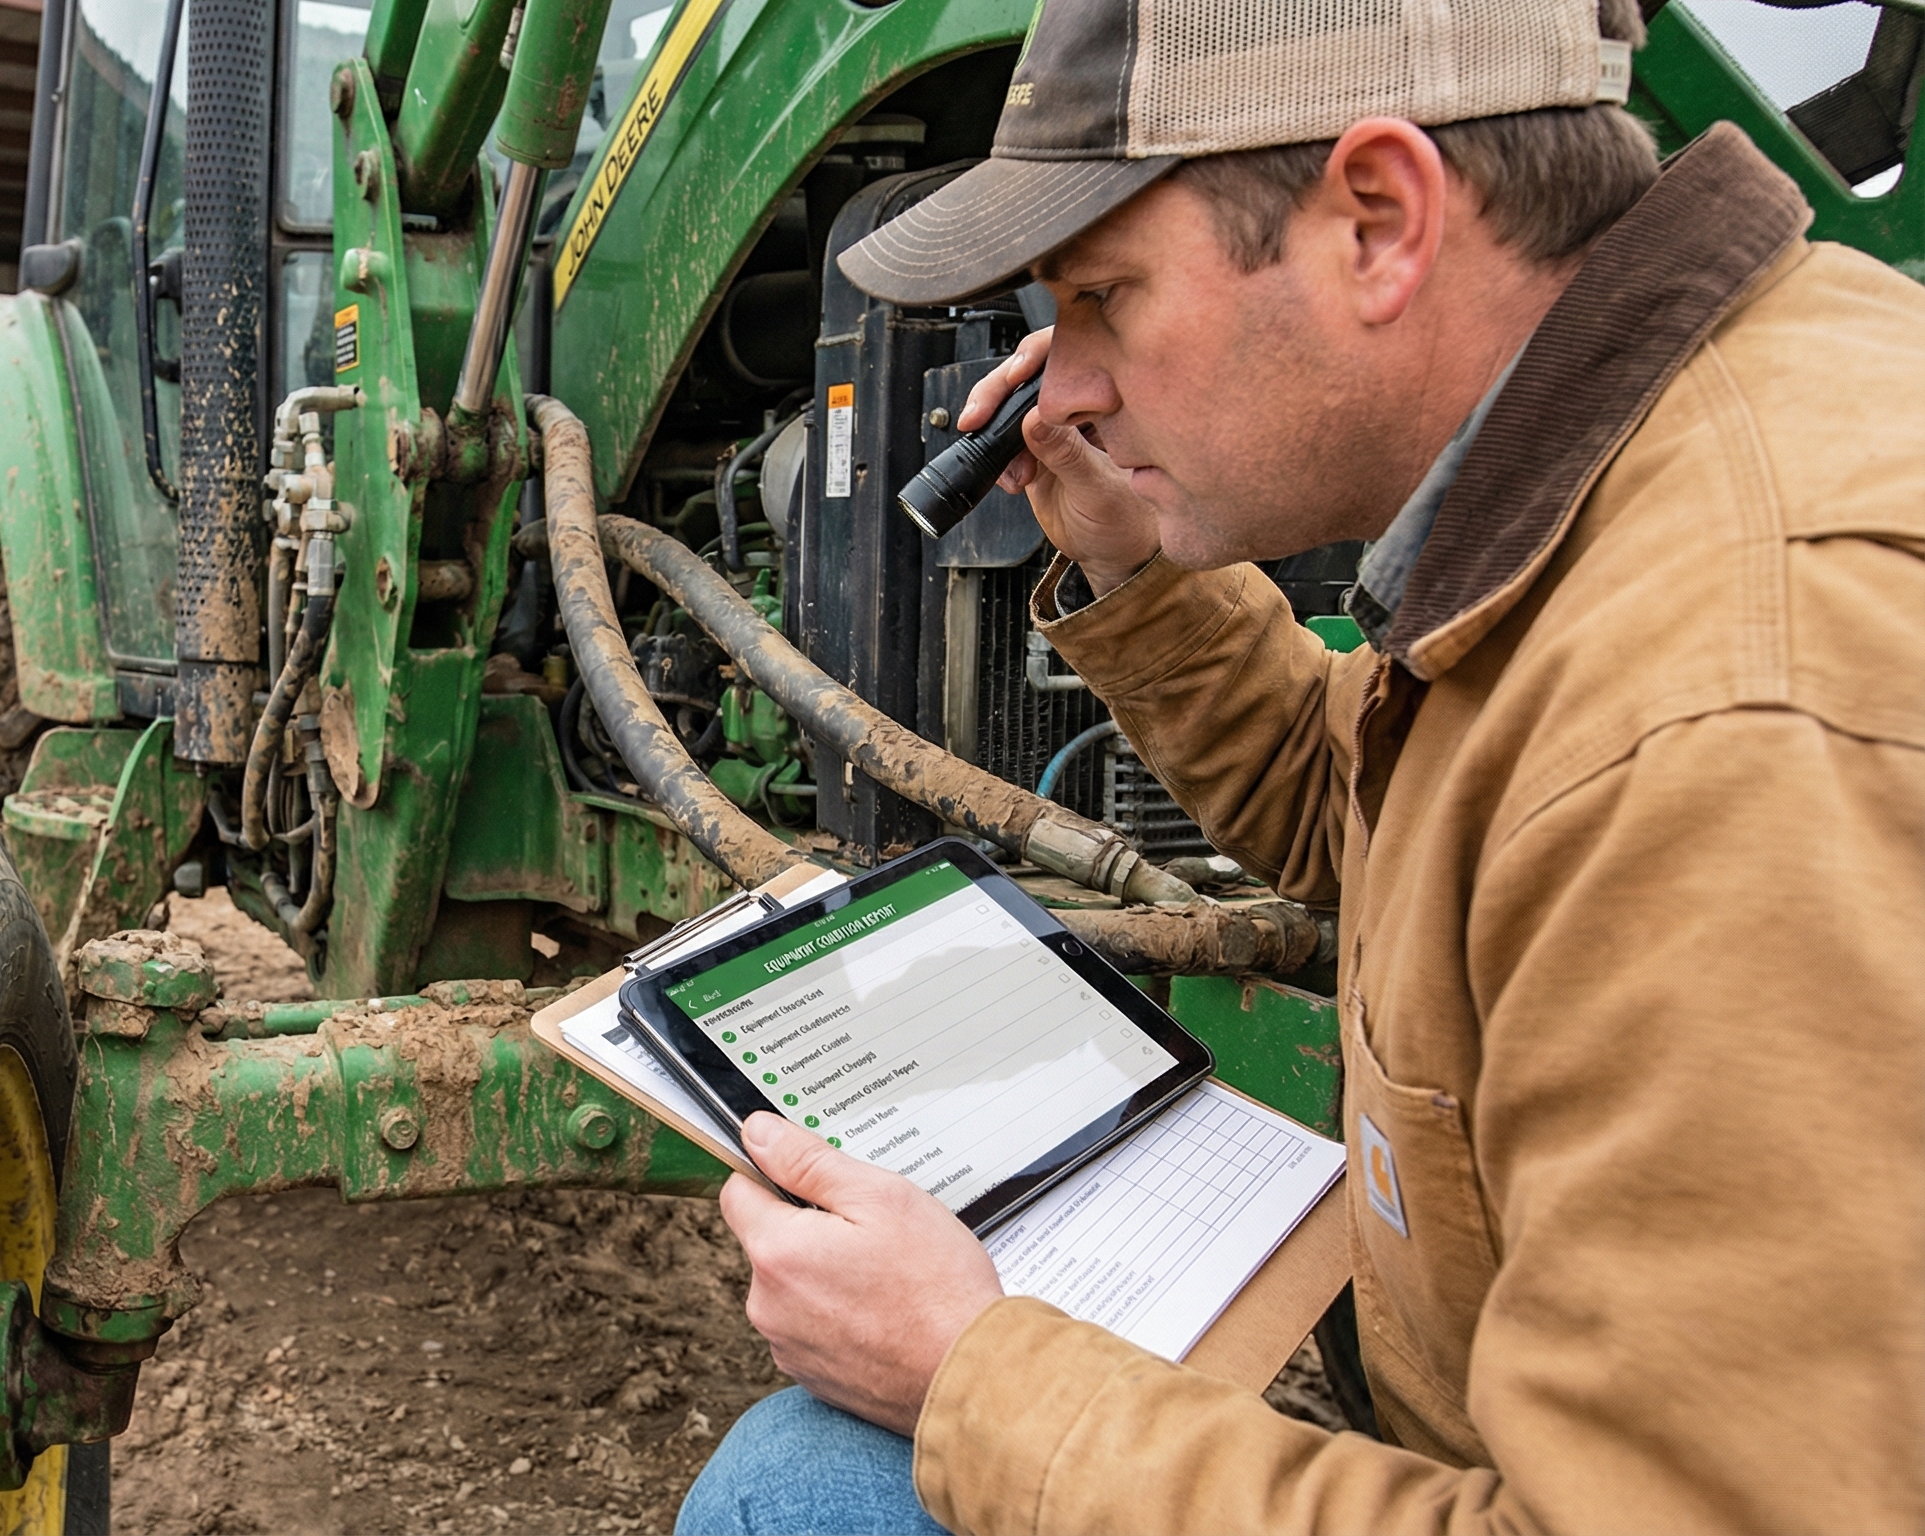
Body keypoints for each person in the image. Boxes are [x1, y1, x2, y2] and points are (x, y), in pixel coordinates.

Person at [676, 0, 1925, 1531]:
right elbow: (1375, 813)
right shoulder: (1631, 467)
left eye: (1104, 297)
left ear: (1380, 222)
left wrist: (972, 1376)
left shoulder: (1735, 718)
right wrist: (1136, 570)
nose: (1058, 385)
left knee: (806, 1494)